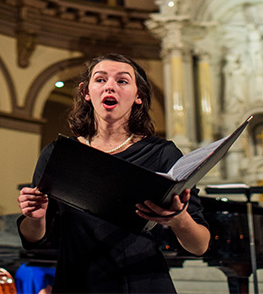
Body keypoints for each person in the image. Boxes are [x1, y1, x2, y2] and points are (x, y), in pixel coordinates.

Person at [17, 53, 210, 293]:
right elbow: (33, 237)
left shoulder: (162, 153)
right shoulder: (58, 154)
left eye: (122, 81)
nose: (110, 86)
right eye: (100, 80)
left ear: (138, 95)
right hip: (78, 283)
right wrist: (35, 217)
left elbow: (200, 245)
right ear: (86, 92)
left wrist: (177, 218)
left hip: (142, 284)